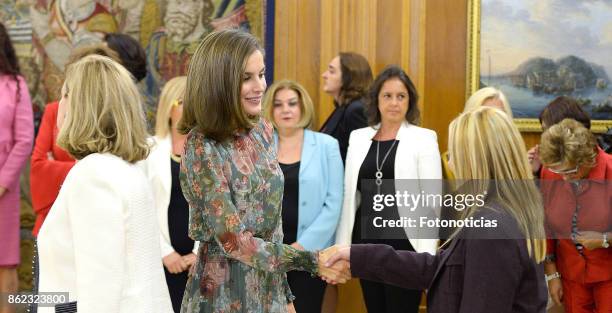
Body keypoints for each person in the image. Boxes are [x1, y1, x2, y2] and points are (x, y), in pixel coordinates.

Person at [178, 29, 348, 313]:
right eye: (247, 78)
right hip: (223, 293)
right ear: (219, 82)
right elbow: (235, 243)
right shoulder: (201, 146)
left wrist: (286, 296)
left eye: (261, 74)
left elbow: (273, 230)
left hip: (269, 290)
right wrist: (311, 260)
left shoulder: (263, 130)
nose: (260, 86)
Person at [325, 107, 549, 313]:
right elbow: (437, 269)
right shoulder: (496, 212)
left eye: (453, 154)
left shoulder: (493, 228)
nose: (450, 164)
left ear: (474, 160)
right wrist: (357, 256)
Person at [36, 55, 172, 312]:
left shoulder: (93, 175)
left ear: (83, 105)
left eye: (65, 95)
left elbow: (100, 287)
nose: (59, 104)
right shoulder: (125, 169)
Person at [335, 65, 442, 313]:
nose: (394, 102)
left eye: (401, 96)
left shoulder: (423, 138)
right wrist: (342, 249)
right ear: (377, 100)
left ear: (409, 101)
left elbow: (431, 201)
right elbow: (350, 196)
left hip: (405, 246)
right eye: (388, 95)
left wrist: (427, 259)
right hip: (366, 244)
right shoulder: (358, 138)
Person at [262, 79, 344, 313]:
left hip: (310, 253)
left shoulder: (327, 145)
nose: (285, 109)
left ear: (302, 107)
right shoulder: (260, 147)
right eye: (278, 105)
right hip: (269, 253)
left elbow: (334, 203)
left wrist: (299, 248)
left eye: (291, 103)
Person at [30, 44, 122, 237]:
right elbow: (38, 167)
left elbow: (111, 171)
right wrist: (82, 167)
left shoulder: (116, 120)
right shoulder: (54, 110)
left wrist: (58, 165)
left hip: (94, 222)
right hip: (51, 218)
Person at [539, 118, 611, 313]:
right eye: (557, 170)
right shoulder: (551, 172)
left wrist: (604, 239)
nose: (564, 177)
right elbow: (546, 227)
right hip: (571, 276)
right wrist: (551, 274)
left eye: (570, 171)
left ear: (587, 158)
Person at [143, 76, 198, 313]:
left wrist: (199, 253)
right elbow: (141, 207)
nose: (192, 109)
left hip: (201, 264)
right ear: (168, 106)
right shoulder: (148, 150)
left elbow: (219, 209)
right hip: (160, 261)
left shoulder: (210, 149)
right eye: (184, 102)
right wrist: (165, 252)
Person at [0, 21, 34, 313]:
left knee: (4, 264)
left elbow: (24, 140)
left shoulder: (16, 86)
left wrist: (2, 182)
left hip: (2, 189)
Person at [442, 86, 511, 179]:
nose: (492, 123)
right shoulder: (450, 162)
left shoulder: (513, 159)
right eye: (482, 116)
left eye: (497, 115)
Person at [320, 52, 373, 162]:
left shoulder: (356, 110)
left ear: (348, 77)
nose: (324, 75)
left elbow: (365, 160)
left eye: (331, 71)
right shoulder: (342, 108)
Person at [527, 96, 592, 176]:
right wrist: (537, 171)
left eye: (548, 131)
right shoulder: (550, 168)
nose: (544, 138)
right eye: (543, 130)